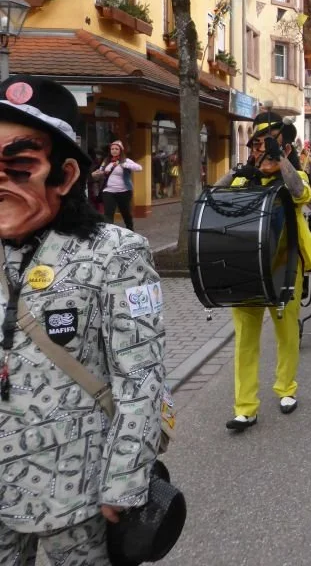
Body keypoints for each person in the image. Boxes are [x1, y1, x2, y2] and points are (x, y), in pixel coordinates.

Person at [0, 76, 166, 563]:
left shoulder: (117, 254)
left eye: (19, 167)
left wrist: (127, 480)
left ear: (66, 175)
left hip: (79, 489)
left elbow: (141, 375)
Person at [217, 111, 311, 431]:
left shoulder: (296, 174)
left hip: (284, 265)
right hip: (246, 267)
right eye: (256, 147)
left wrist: (282, 162)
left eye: (268, 147)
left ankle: (286, 389)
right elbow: (215, 197)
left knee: (286, 332)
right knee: (245, 340)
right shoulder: (244, 177)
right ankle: (245, 407)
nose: (259, 153)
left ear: (285, 149)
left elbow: (300, 193)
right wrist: (240, 170)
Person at [92, 139, 143, 231]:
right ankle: (108, 232)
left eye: (116, 149)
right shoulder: (106, 161)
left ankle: (130, 229)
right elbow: (101, 172)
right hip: (108, 191)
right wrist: (97, 174)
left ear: (120, 150)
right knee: (108, 213)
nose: (114, 150)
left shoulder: (126, 160)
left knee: (126, 212)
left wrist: (125, 165)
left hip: (124, 191)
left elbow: (139, 168)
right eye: (112, 149)